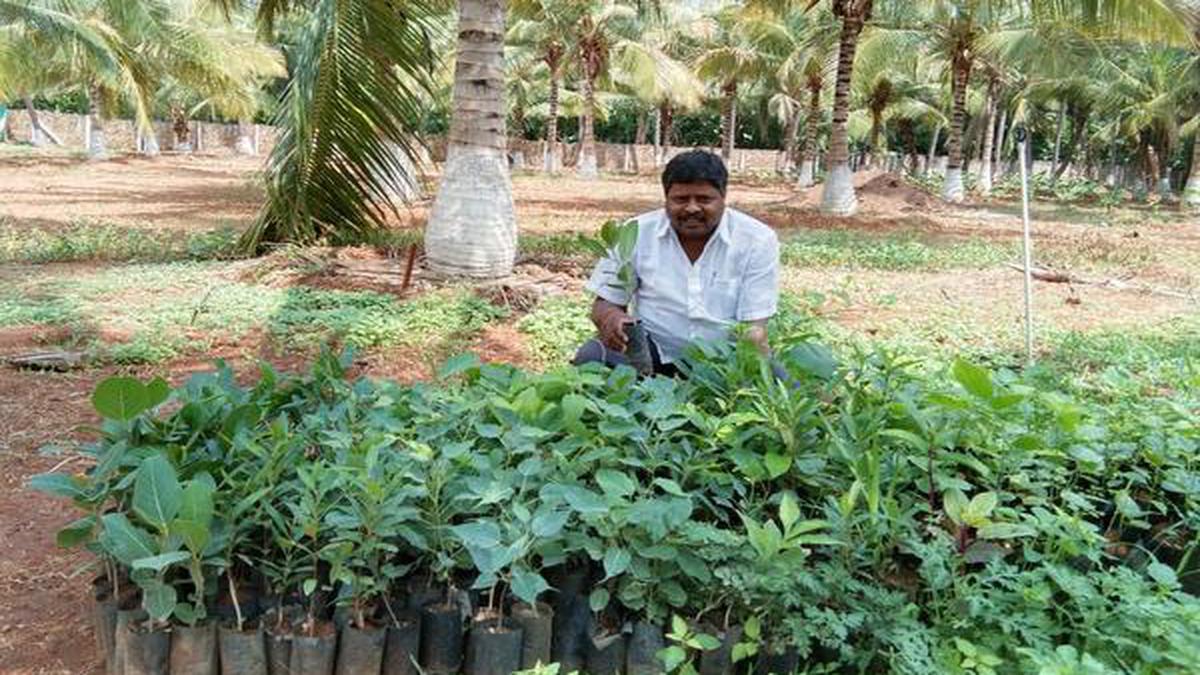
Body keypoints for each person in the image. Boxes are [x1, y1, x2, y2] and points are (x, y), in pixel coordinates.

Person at [574, 149, 779, 377]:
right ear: (666, 199)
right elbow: (604, 304)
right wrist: (613, 318)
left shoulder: (756, 240)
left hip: (722, 365)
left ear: (723, 198)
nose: (692, 208)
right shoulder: (635, 233)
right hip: (649, 357)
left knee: (784, 385)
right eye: (680, 199)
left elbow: (753, 329)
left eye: (704, 199)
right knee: (592, 356)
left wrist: (745, 376)